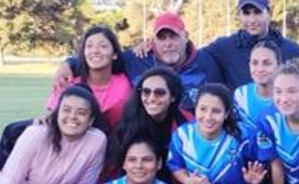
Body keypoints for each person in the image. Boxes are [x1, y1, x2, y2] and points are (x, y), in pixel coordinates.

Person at [52, 12, 224, 118]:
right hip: (147, 138)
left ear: (186, 36)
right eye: (161, 38)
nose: (168, 44)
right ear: (152, 41)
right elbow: (104, 57)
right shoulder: (137, 59)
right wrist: (68, 64)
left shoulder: (206, 63)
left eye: (174, 37)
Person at [46, 25, 133, 130]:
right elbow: (52, 118)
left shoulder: (124, 85)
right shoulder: (68, 82)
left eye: (103, 46)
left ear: (114, 54)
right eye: (89, 46)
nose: (95, 51)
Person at [107, 67, 188, 173]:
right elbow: (114, 165)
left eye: (159, 93)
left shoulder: (185, 122)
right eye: (146, 92)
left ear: (173, 96)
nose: (151, 98)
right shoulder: (124, 117)